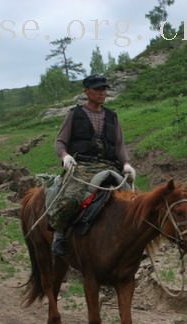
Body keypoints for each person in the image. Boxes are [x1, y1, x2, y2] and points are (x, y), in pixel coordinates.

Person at [49, 74, 136, 256]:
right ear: (86, 91)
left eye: (104, 89)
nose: (102, 93)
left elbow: (119, 145)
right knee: (70, 200)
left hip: (110, 166)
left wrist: (126, 164)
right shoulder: (75, 114)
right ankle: (59, 235)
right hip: (83, 167)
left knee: (136, 203)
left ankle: (135, 243)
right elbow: (60, 141)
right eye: (97, 89)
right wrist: (65, 156)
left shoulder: (112, 116)